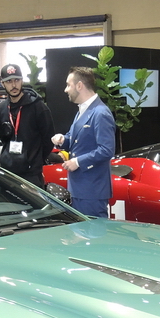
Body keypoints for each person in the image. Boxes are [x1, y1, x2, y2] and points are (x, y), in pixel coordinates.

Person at [51, 66, 116, 218]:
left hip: (92, 189)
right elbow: (77, 141)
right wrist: (63, 140)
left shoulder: (100, 113)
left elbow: (107, 149)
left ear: (79, 85)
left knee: (93, 235)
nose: (66, 90)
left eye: (68, 85)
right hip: (81, 187)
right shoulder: (83, 110)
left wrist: (78, 162)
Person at [0, 63, 55, 188]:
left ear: (22, 81)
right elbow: (4, 138)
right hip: (8, 172)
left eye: (17, 80)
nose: (14, 85)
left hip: (31, 174)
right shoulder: (1, 109)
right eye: (9, 81)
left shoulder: (38, 107)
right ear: (2, 83)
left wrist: (35, 159)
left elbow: (48, 139)